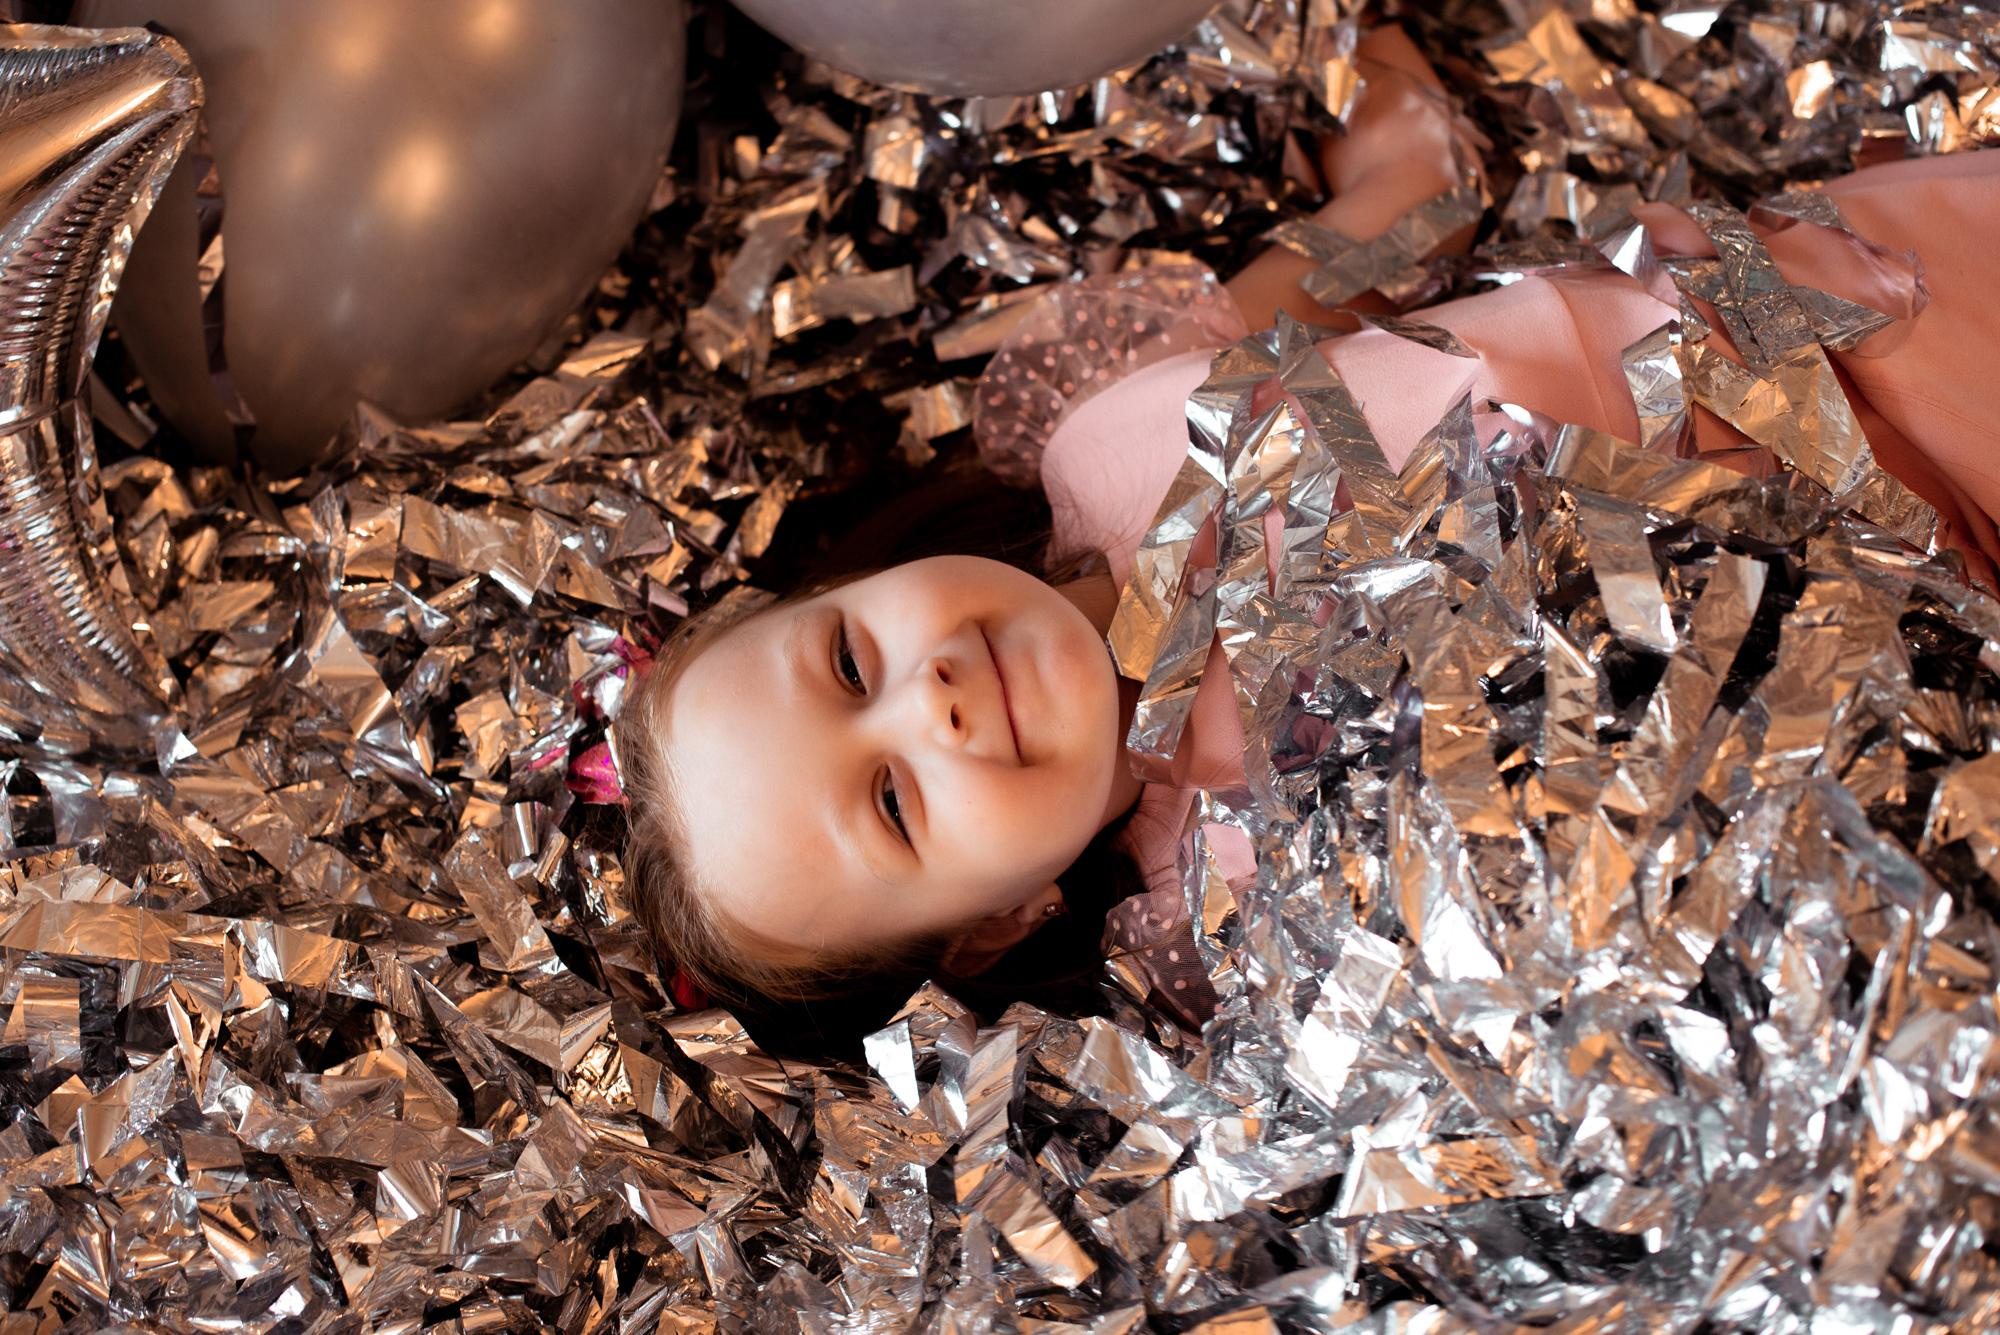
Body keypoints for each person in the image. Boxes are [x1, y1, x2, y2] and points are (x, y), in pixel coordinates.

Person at [613, 18, 2000, 1034]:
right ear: (992, 926)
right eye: (897, 801)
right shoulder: (1240, 891)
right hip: (1918, 574)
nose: (937, 703)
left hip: (1861, 300)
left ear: (874, 574)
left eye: (854, 664)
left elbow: (1396, 217)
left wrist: (1359, 51)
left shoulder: (1097, 427)